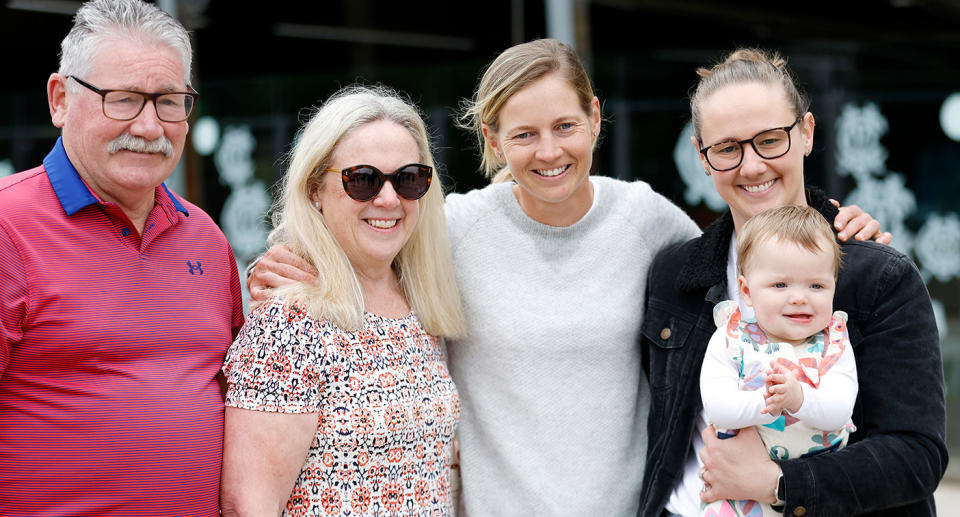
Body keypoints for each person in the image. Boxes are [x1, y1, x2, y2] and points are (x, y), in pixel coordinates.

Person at [248, 40, 881, 515]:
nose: (549, 151)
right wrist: (284, 257)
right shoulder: (449, 229)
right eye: (523, 133)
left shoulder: (647, 220)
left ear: (596, 118)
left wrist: (834, 222)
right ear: (493, 138)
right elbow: (363, 231)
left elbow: (751, 262)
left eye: (565, 126)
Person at [639, 48, 945, 517]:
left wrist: (779, 485)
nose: (752, 166)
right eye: (727, 148)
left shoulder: (875, 275)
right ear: (702, 157)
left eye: (769, 139)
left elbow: (915, 457)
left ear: (805, 132)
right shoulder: (673, 274)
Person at [0, 0, 244, 515]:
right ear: (60, 99)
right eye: (125, 99)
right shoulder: (8, 227)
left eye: (170, 102)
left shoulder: (205, 239)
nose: (151, 127)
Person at [219, 85, 467, 516]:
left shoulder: (422, 306)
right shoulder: (289, 325)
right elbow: (247, 504)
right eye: (363, 180)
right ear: (316, 189)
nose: (389, 198)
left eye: (409, 178)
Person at [699, 205, 857, 517]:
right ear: (746, 290)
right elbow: (718, 408)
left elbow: (839, 412)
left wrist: (798, 399)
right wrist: (767, 400)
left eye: (816, 285)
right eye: (780, 285)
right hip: (737, 503)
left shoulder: (834, 344)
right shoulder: (732, 339)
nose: (799, 297)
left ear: (833, 286)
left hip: (812, 499)